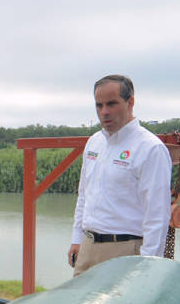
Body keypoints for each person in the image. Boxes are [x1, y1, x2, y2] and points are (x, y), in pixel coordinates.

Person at [68, 75, 172, 275]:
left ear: (130, 102)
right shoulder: (94, 143)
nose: (104, 112)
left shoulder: (150, 148)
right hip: (88, 247)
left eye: (112, 104)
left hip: (125, 250)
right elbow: (84, 195)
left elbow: (157, 215)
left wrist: (148, 265)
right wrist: (77, 239)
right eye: (99, 105)